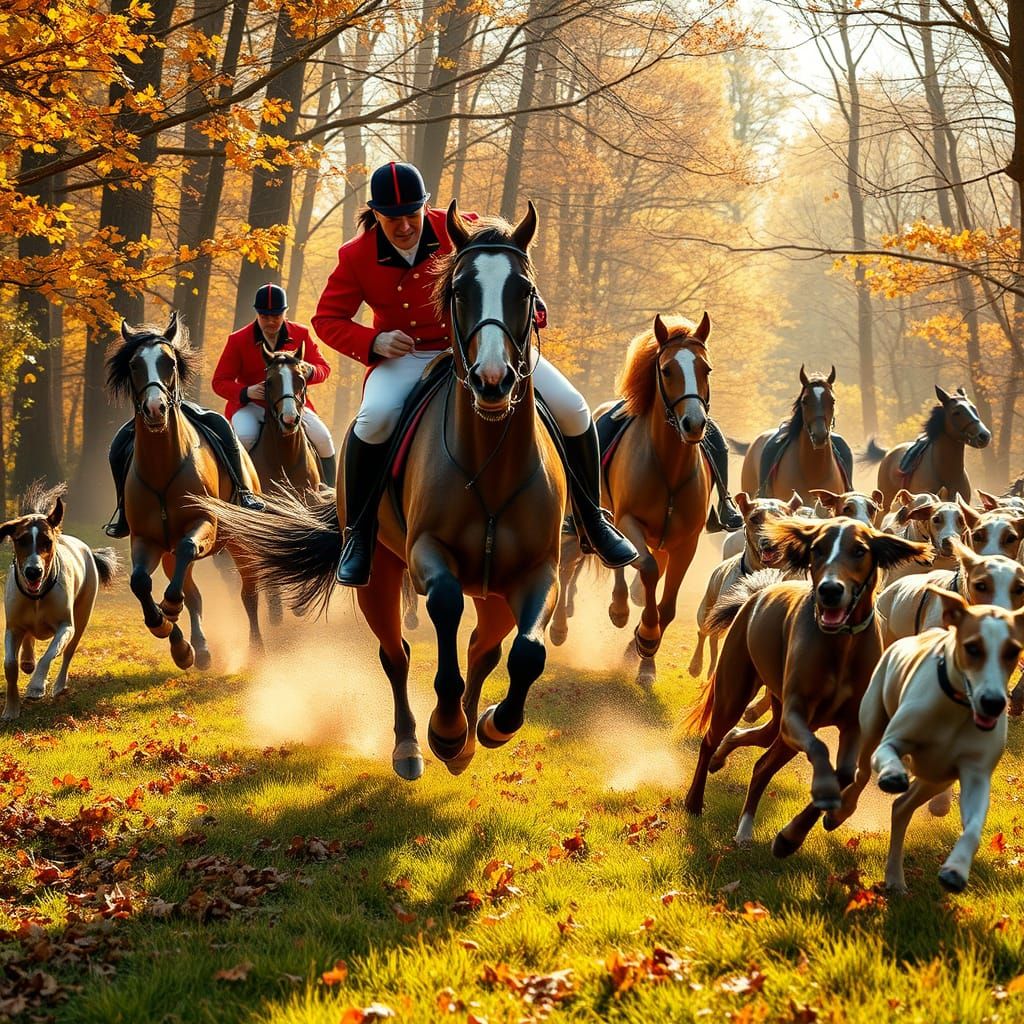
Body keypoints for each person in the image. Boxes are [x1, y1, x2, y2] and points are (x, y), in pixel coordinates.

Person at [313, 161, 639, 587]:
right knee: (373, 420)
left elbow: (509, 268)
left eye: (412, 214)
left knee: (574, 408)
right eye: (393, 219)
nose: (405, 226)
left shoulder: (461, 228)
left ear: (425, 206)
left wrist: (533, 303)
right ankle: (357, 535)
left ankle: (592, 520)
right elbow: (326, 319)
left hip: (480, 347)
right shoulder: (355, 256)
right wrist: (374, 341)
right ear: (375, 214)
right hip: (407, 356)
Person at [102, 328, 266, 541]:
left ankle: (244, 493)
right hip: (144, 406)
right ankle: (124, 511)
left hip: (176, 404)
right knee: (116, 448)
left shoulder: (173, 362)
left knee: (222, 426)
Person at [212, 284, 337, 484]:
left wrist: (310, 371)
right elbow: (219, 381)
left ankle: (331, 491)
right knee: (245, 436)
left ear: (285, 312)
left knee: (323, 437)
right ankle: (237, 491)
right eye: (264, 316)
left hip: (292, 403)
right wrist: (246, 392)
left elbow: (324, 368)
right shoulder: (238, 340)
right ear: (257, 313)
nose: (270, 321)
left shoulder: (301, 334)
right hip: (252, 405)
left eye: (276, 316)